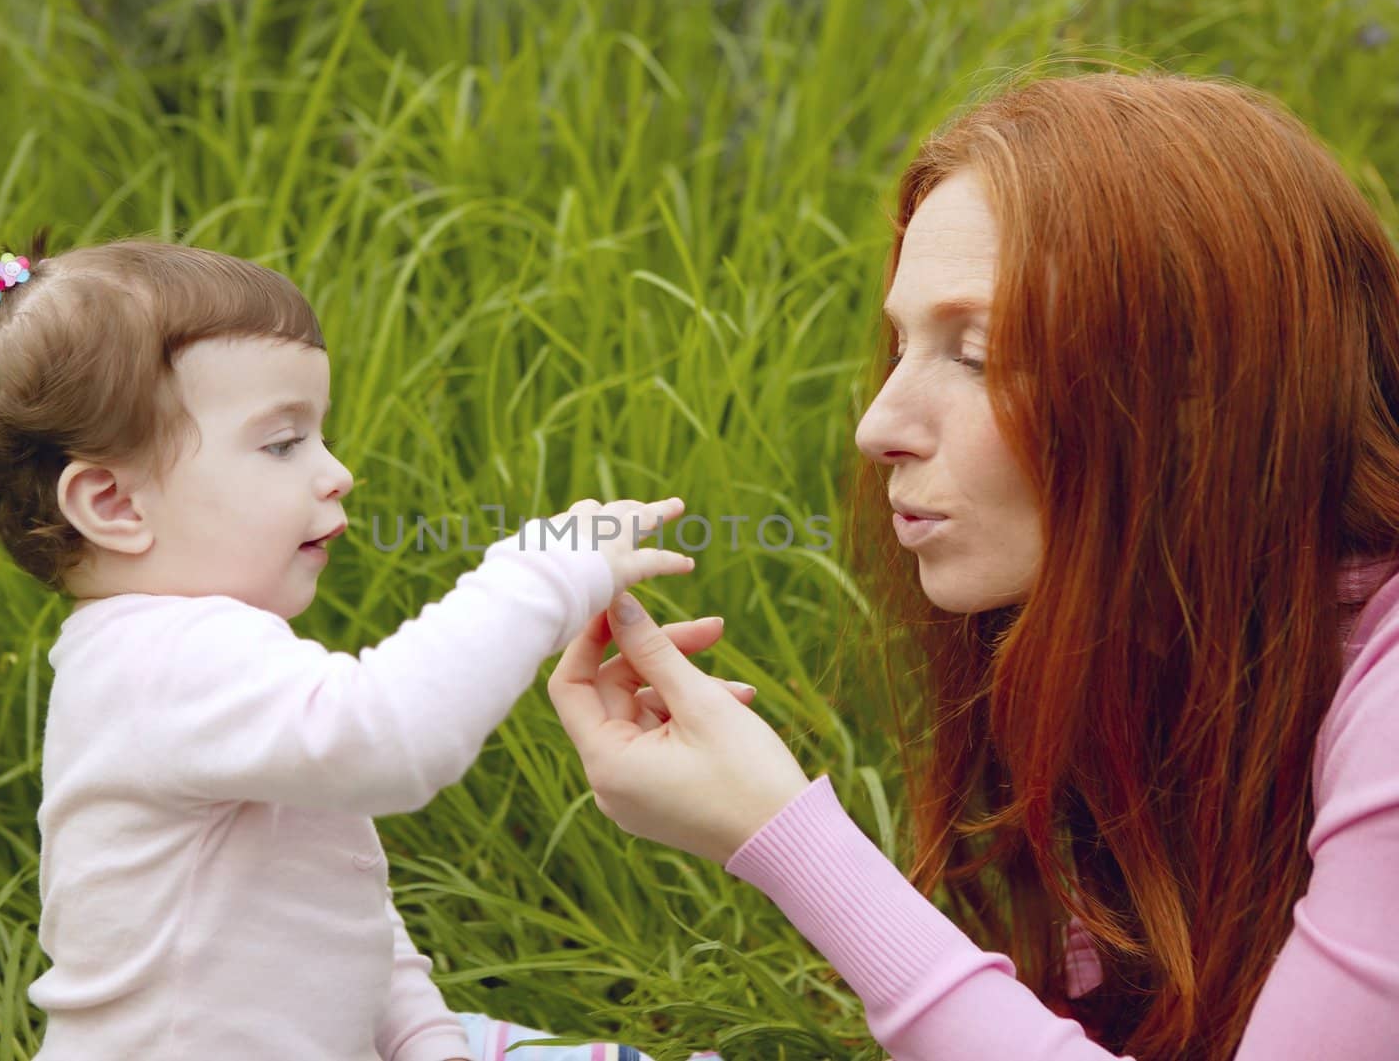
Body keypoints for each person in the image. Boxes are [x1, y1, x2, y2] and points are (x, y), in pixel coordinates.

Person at [548, 71, 1399, 1060]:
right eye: (904, 344)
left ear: (1202, 390)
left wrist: (784, 836)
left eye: (978, 352)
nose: (878, 428)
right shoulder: (1161, 637)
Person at [0, 223, 727, 1060]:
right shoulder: (162, 663)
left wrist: (428, 1041)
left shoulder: (206, 658)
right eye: (283, 443)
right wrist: (539, 574)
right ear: (115, 504)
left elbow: (341, 908)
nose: (337, 470)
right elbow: (388, 736)